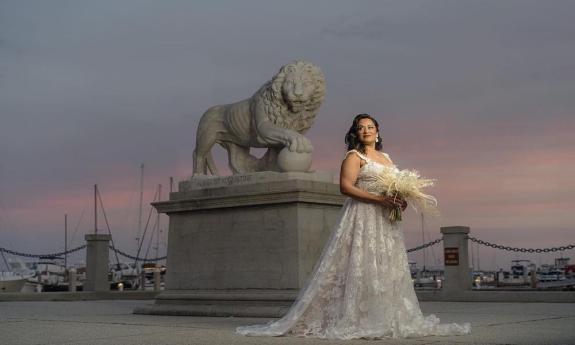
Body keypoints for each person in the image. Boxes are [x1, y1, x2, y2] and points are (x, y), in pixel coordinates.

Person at [236, 114, 471, 339]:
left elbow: (392, 187)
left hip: (385, 220)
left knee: (385, 264)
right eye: (361, 128)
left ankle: (386, 316)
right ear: (356, 134)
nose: (366, 131)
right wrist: (380, 199)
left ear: (377, 132)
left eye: (370, 127)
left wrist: (399, 200)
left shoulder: (386, 158)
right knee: (362, 262)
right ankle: (359, 316)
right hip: (363, 215)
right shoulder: (354, 156)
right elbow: (346, 187)